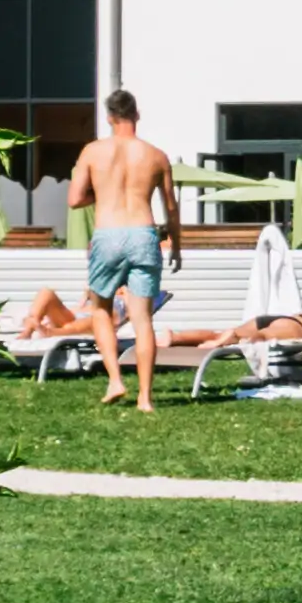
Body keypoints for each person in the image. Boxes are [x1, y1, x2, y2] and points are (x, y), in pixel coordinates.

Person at [60, 91, 179, 415]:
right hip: (143, 233)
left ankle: (115, 380)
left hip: (108, 232)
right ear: (136, 116)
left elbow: (74, 199)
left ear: (109, 118)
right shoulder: (156, 155)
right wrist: (177, 246)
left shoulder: (93, 152)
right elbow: (170, 206)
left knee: (100, 308)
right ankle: (145, 398)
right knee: (142, 319)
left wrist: (102, 196)